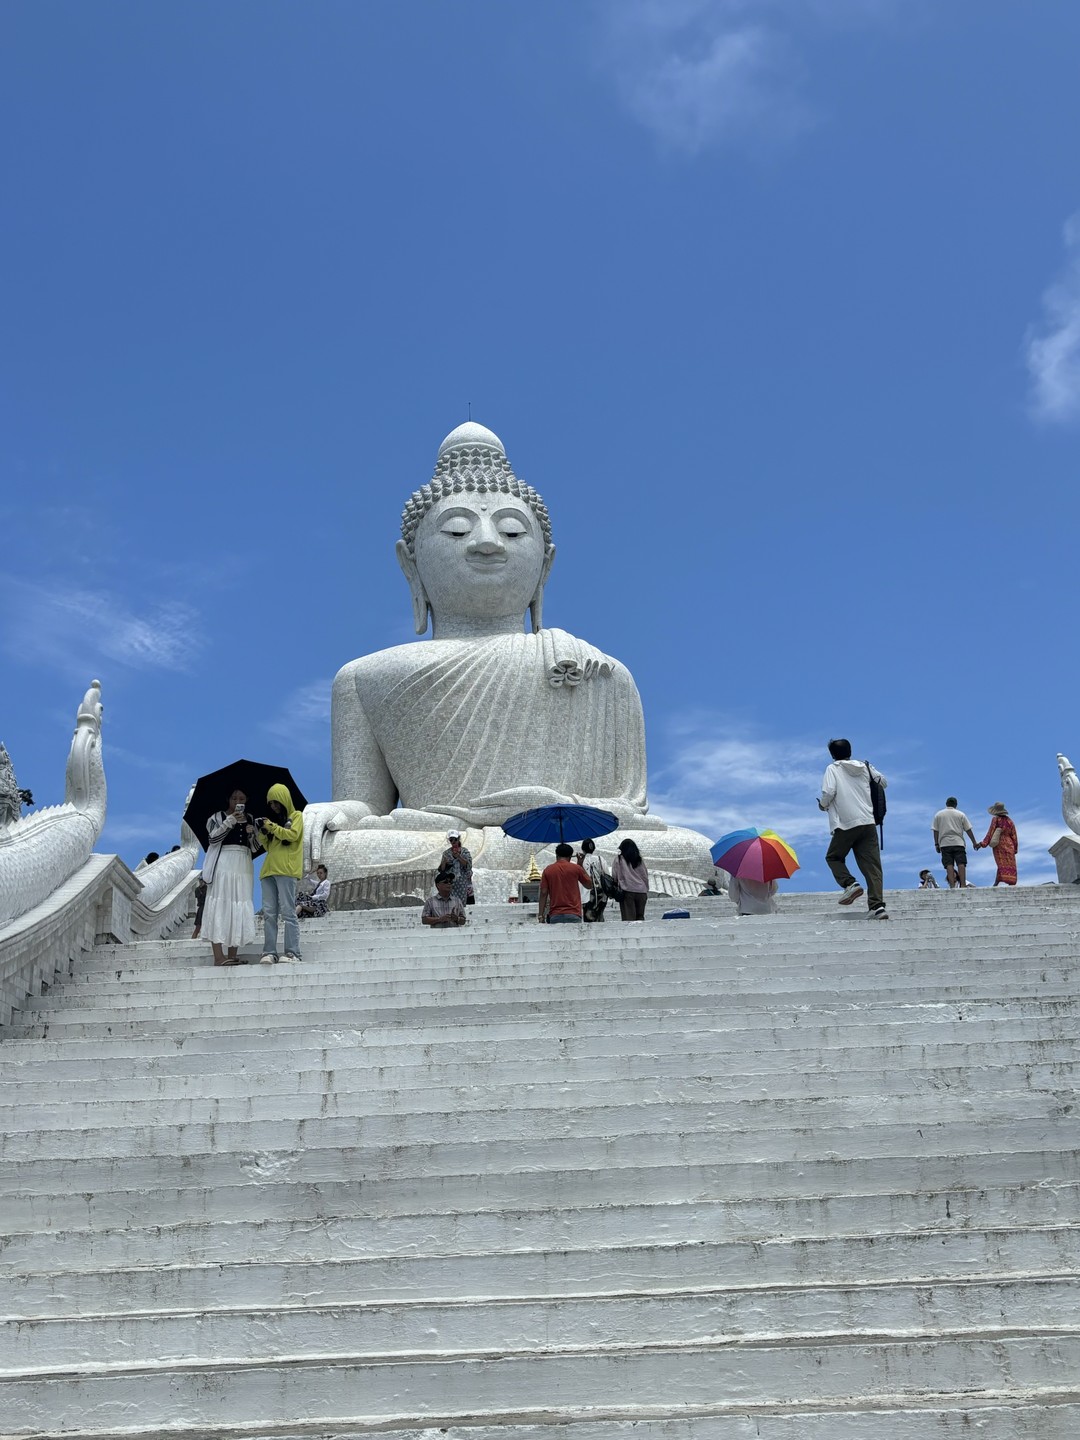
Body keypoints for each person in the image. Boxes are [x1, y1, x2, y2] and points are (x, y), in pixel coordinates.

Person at [302, 422, 714, 893]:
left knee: (693, 850)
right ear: (409, 563)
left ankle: (528, 857)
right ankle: (523, 859)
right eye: (457, 528)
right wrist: (338, 813)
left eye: (512, 531)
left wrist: (550, 816)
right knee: (328, 851)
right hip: (440, 840)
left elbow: (625, 810)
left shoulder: (601, 672)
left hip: (564, 833)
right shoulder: (363, 678)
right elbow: (366, 805)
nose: (486, 542)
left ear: (546, 565)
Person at [818, 738, 889, 920]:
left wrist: (823, 805)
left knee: (834, 857)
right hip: (868, 821)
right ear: (850, 751)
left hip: (846, 822)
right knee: (872, 866)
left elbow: (828, 792)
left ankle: (850, 884)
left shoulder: (833, 769)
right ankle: (877, 907)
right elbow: (883, 782)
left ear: (833, 755)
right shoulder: (864, 766)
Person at [201, 790, 259, 965]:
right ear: (228, 799)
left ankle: (232, 954)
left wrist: (253, 833)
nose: (237, 802)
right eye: (234, 798)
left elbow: (255, 848)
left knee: (239, 902)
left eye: (241, 798)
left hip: (243, 863)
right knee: (220, 902)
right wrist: (230, 821)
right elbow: (213, 839)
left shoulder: (250, 818)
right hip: (224, 861)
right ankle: (218, 956)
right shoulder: (217, 817)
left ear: (246, 800)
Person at [257, 784, 304, 963]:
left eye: (276, 802)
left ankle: (293, 953)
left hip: (286, 870)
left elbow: (292, 835)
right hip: (268, 870)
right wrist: (262, 833)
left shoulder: (296, 816)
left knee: (288, 912)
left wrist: (272, 827)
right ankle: (269, 952)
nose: (274, 807)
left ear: (284, 800)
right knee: (269, 913)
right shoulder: (276, 823)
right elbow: (270, 847)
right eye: (271, 804)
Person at [538, 843, 594, 924]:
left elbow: (543, 893)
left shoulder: (548, 870)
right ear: (571, 856)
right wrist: (580, 865)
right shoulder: (576, 868)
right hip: (574, 913)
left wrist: (541, 915)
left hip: (555, 914)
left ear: (556, 855)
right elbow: (589, 885)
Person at [932, 797, 977, 888]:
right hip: (958, 842)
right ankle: (963, 884)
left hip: (944, 843)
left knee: (949, 865)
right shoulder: (960, 814)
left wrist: (936, 844)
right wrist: (974, 842)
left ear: (946, 804)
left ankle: (952, 885)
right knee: (961, 863)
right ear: (956, 805)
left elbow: (935, 830)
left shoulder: (939, 815)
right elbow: (968, 829)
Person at [975, 802, 1018, 886]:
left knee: (1001, 863)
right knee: (1009, 863)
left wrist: (982, 844)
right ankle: (1010, 882)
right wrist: (1015, 848)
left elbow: (990, 833)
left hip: (999, 844)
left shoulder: (995, 819)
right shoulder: (1010, 821)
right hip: (1010, 844)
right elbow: (1014, 836)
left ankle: (996, 882)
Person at [612, 838, 649, 922]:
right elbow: (645, 876)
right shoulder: (639, 860)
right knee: (640, 918)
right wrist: (646, 889)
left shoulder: (619, 859)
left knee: (629, 919)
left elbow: (615, 875)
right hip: (641, 892)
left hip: (627, 891)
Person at [439, 831, 473, 907]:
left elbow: (468, 865)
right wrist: (444, 862)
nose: (453, 842)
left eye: (455, 839)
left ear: (458, 839)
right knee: (450, 903)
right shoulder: (446, 853)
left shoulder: (465, 852)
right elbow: (442, 869)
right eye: (451, 840)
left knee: (460, 904)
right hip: (450, 883)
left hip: (462, 882)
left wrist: (458, 856)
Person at [577, 838, 607, 922]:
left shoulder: (581, 860)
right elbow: (607, 874)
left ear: (582, 849)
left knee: (589, 919)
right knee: (599, 917)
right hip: (601, 894)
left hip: (586, 895)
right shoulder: (600, 859)